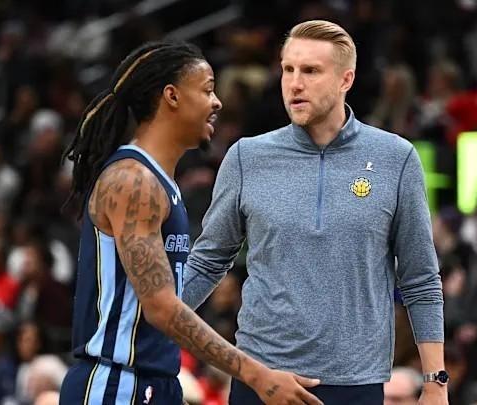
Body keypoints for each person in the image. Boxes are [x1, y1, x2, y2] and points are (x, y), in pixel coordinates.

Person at [184, 20, 447, 405]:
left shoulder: (396, 158)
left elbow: (420, 278)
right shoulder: (246, 157)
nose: (294, 83)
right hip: (262, 379)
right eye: (288, 69)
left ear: (345, 79)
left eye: (310, 71)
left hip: (356, 384)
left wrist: (436, 383)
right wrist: (146, 323)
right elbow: (207, 261)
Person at [58, 41, 322, 405]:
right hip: (116, 384)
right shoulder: (133, 181)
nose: (218, 102)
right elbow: (162, 308)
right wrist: (256, 374)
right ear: (172, 96)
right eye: (207, 90)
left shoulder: (159, 182)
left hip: (154, 381)